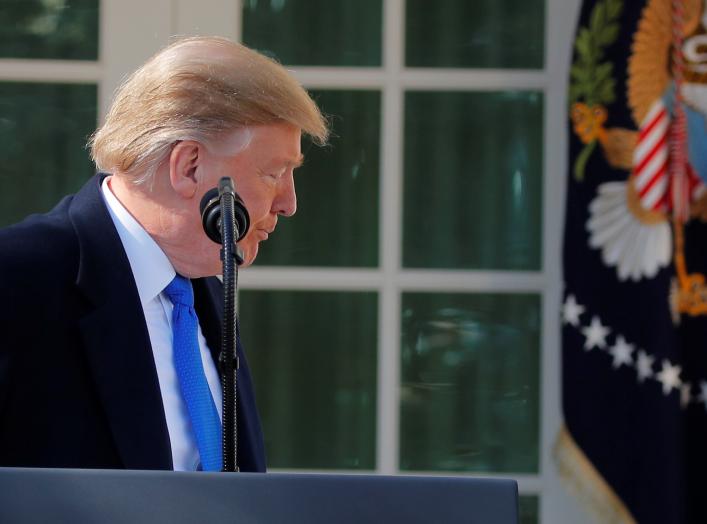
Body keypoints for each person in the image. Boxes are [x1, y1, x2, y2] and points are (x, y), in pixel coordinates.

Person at [0, 36, 328, 471]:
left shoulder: (201, 290)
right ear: (188, 166)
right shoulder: (16, 280)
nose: (289, 202)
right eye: (274, 173)